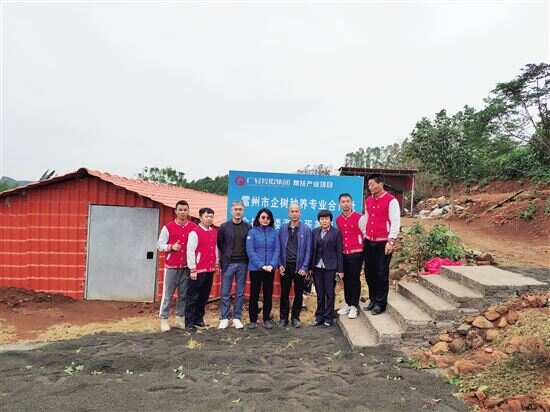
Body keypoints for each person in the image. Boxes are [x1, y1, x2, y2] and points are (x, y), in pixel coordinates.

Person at [157, 200, 197, 332]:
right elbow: (159, 245)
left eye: (185, 210)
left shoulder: (193, 227)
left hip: (186, 267)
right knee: (167, 295)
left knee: (183, 295)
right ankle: (164, 319)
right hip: (172, 267)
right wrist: (171, 247)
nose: (183, 212)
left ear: (188, 211)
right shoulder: (168, 227)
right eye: (180, 210)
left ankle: (180, 318)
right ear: (175, 211)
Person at [363, 174, 401, 315]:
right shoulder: (368, 200)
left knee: (381, 272)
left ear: (381, 184)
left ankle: (380, 303)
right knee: (369, 272)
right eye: (369, 185)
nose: (370, 187)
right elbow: (366, 218)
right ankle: (373, 299)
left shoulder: (391, 201)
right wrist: (364, 235)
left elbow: (395, 221)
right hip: (369, 240)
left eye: (372, 184)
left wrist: (391, 241)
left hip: (383, 242)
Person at [217, 201, 251, 330]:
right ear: (231, 211)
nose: (238, 212)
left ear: (243, 211)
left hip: (243, 263)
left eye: (240, 209)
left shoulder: (248, 227)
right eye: (236, 209)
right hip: (228, 263)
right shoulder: (224, 227)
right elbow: (220, 244)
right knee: (225, 292)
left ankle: (237, 317)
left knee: (240, 293)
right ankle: (224, 318)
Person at [278, 203, 312, 328]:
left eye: (296, 211)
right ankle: (283, 318)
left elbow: (308, 250)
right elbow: (278, 248)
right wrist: (279, 264)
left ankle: (295, 318)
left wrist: (305, 267)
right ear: (288, 213)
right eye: (292, 211)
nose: (294, 214)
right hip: (285, 266)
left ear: (300, 213)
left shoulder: (306, 229)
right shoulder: (282, 229)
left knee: (298, 294)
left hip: (299, 267)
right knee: (284, 293)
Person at [245, 208, 280, 329]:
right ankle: (253, 320)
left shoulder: (274, 233)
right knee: (254, 294)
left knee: (268, 294)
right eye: (263, 217)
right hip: (256, 269)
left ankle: (266, 319)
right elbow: (250, 251)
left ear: (271, 220)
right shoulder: (252, 232)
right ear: (258, 219)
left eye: (268, 218)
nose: (265, 220)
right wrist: (261, 265)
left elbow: (277, 250)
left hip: (270, 269)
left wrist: (272, 264)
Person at [186, 207, 219, 331]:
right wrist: (192, 269)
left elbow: (215, 249)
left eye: (211, 216)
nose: (209, 219)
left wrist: (216, 263)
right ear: (200, 217)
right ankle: (189, 322)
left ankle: (199, 320)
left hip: (209, 269)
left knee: (203, 297)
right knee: (193, 297)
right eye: (207, 216)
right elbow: (190, 251)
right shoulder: (194, 233)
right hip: (198, 270)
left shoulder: (214, 232)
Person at [310, 209, 344, 327]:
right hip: (317, 267)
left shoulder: (336, 233)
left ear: (330, 220)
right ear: (319, 221)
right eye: (322, 219)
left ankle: (328, 317)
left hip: (331, 267)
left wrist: (340, 270)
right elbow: (312, 250)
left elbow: (339, 252)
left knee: (329, 293)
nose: (324, 221)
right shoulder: (314, 232)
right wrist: (310, 267)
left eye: (326, 219)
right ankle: (319, 316)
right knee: (320, 293)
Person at [335, 193, 367, 320]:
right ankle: (348, 303)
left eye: (348, 201)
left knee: (354, 279)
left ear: (352, 202)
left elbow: (365, 234)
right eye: (343, 202)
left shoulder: (360, 218)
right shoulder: (338, 220)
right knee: (346, 279)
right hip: (344, 253)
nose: (345, 204)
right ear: (339, 204)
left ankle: (354, 305)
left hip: (357, 253)